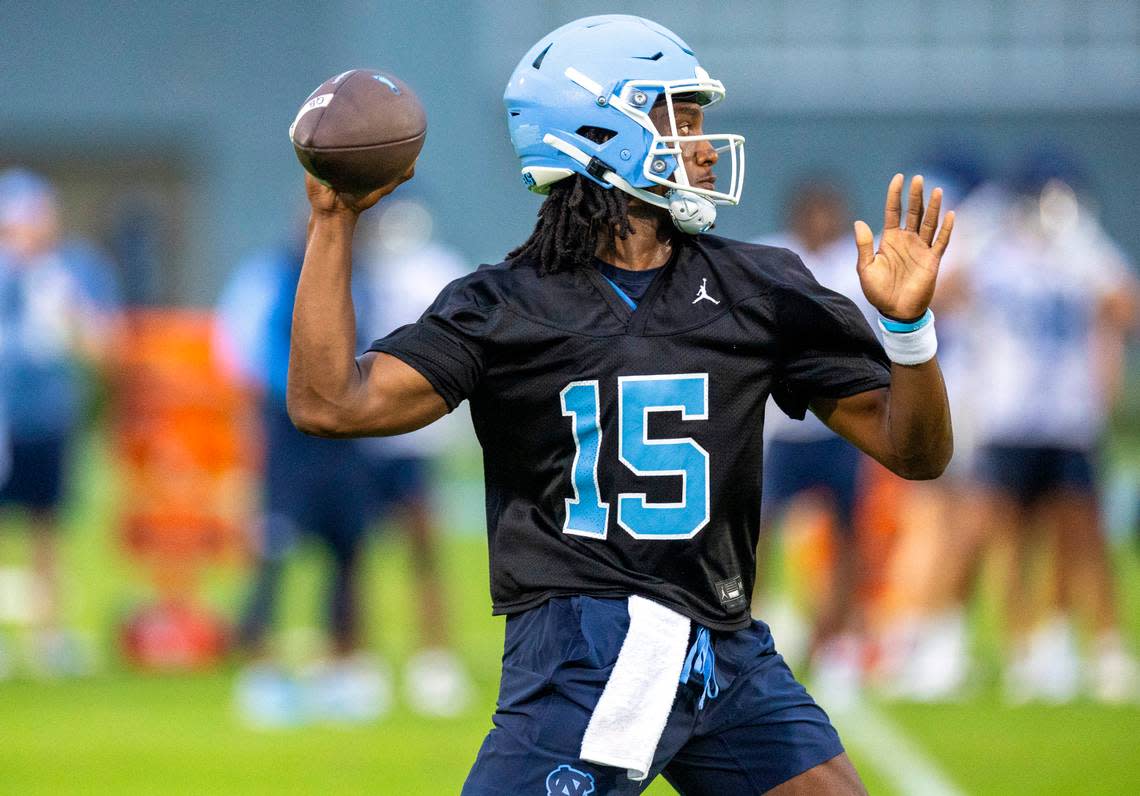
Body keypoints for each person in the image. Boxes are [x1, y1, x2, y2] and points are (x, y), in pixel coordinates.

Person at [287, 15, 954, 794]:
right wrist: (334, 222)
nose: (704, 145)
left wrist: (907, 331)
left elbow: (917, 452)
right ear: (600, 130)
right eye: (680, 118)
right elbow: (330, 402)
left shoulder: (760, 288)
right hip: (591, 647)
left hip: (725, 642)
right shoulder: (504, 306)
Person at [943, 151, 1139, 704]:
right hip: (1008, 420)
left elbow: (1127, 311)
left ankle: (1103, 653)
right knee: (993, 537)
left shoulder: (1085, 258)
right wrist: (976, 235)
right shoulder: (996, 255)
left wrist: (1087, 249)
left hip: (1068, 422)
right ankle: (998, 647)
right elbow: (941, 297)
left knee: (1084, 541)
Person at [215, 230, 387, 725]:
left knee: (348, 549)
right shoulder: (270, 273)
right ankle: (262, 673)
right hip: (289, 431)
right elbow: (238, 347)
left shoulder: (362, 274)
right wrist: (300, 393)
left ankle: (340, 668)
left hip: (346, 434)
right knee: (275, 546)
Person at [751, 178, 876, 700]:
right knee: (754, 533)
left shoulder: (860, 264)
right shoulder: (771, 259)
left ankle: (837, 641)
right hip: (784, 428)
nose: (824, 224)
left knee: (851, 538)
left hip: (841, 427)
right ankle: (747, 623)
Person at [0, 168, 120, 677]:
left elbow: (106, 347)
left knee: (47, 527)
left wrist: (70, 313)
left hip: (50, 415)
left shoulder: (75, 268)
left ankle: (48, 635)